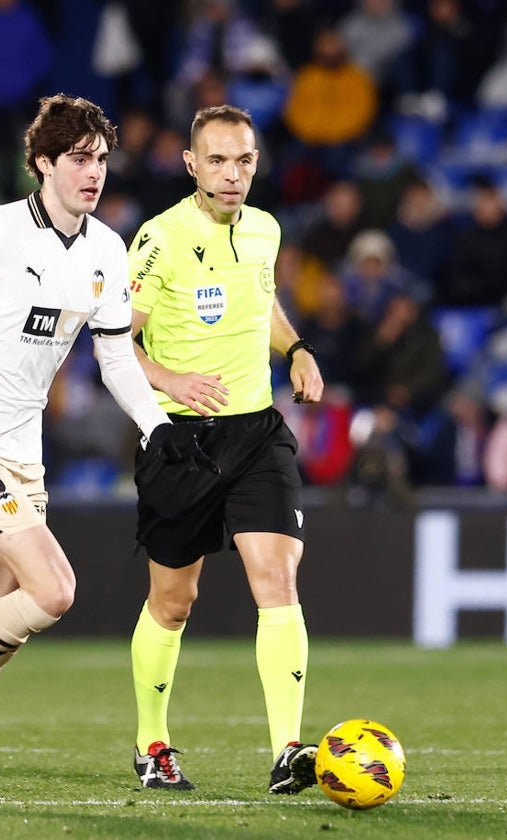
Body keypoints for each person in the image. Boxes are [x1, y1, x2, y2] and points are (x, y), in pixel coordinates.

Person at [0, 94, 213, 807]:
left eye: (103, 160)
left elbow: (115, 356)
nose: (94, 173)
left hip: (21, 448)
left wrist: (157, 426)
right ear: (45, 163)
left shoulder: (107, 250)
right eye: (79, 159)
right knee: (55, 589)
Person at [124, 105, 325, 794]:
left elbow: (261, 302)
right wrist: (171, 378)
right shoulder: (159, 239)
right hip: (179, 440)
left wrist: (295, 348)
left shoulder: (266, 230)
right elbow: (115, 342)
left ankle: (288, 752)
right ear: (190, 164)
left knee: (277, 582)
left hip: (256, 433)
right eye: (216, 160)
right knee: (174, 603)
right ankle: (152, 743)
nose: (232, 173)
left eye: (243, 160)